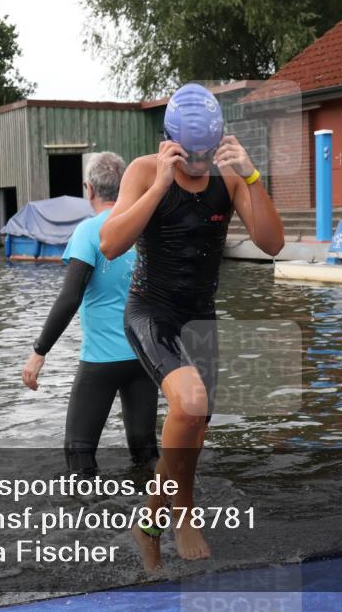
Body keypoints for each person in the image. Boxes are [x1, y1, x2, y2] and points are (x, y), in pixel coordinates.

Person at [100, 83, 285, 569]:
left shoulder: (230, 178)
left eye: (207, 154)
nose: (199, 164)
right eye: (190, 155)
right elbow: (109, 244)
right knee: (191, 403)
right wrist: (161, 184)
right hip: (151, 312)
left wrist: (253, 175)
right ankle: (184, 513)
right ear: (171, 143)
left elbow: (272, 244)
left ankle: (148, 525)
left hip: (199, 316)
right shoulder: (144, 171)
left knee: (192, 432)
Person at [21, 152, 158, 474]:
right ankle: (161, 513)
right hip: (145, 358)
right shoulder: (146, 227)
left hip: (101, 360)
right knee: (145, 453)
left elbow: (70, 296)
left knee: (79, 454)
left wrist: (39, 351)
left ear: (89, 189)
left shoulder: (89, 231)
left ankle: (94, 519)